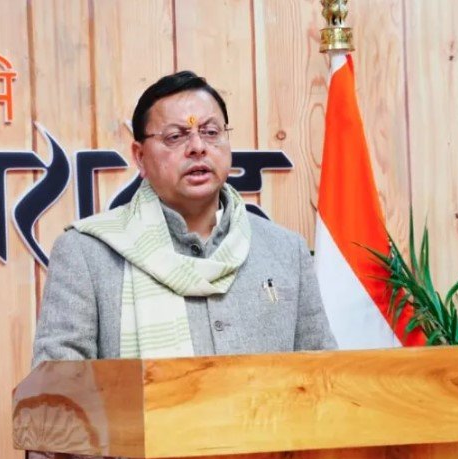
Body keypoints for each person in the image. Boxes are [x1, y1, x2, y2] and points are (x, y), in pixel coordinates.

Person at [32, 70, 336, 365]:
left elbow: (326, 377)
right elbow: (60, 387)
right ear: (140, 156)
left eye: (211, 132)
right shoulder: (87, 254)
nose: (198, 147)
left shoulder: (285, 251)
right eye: (176, 136)